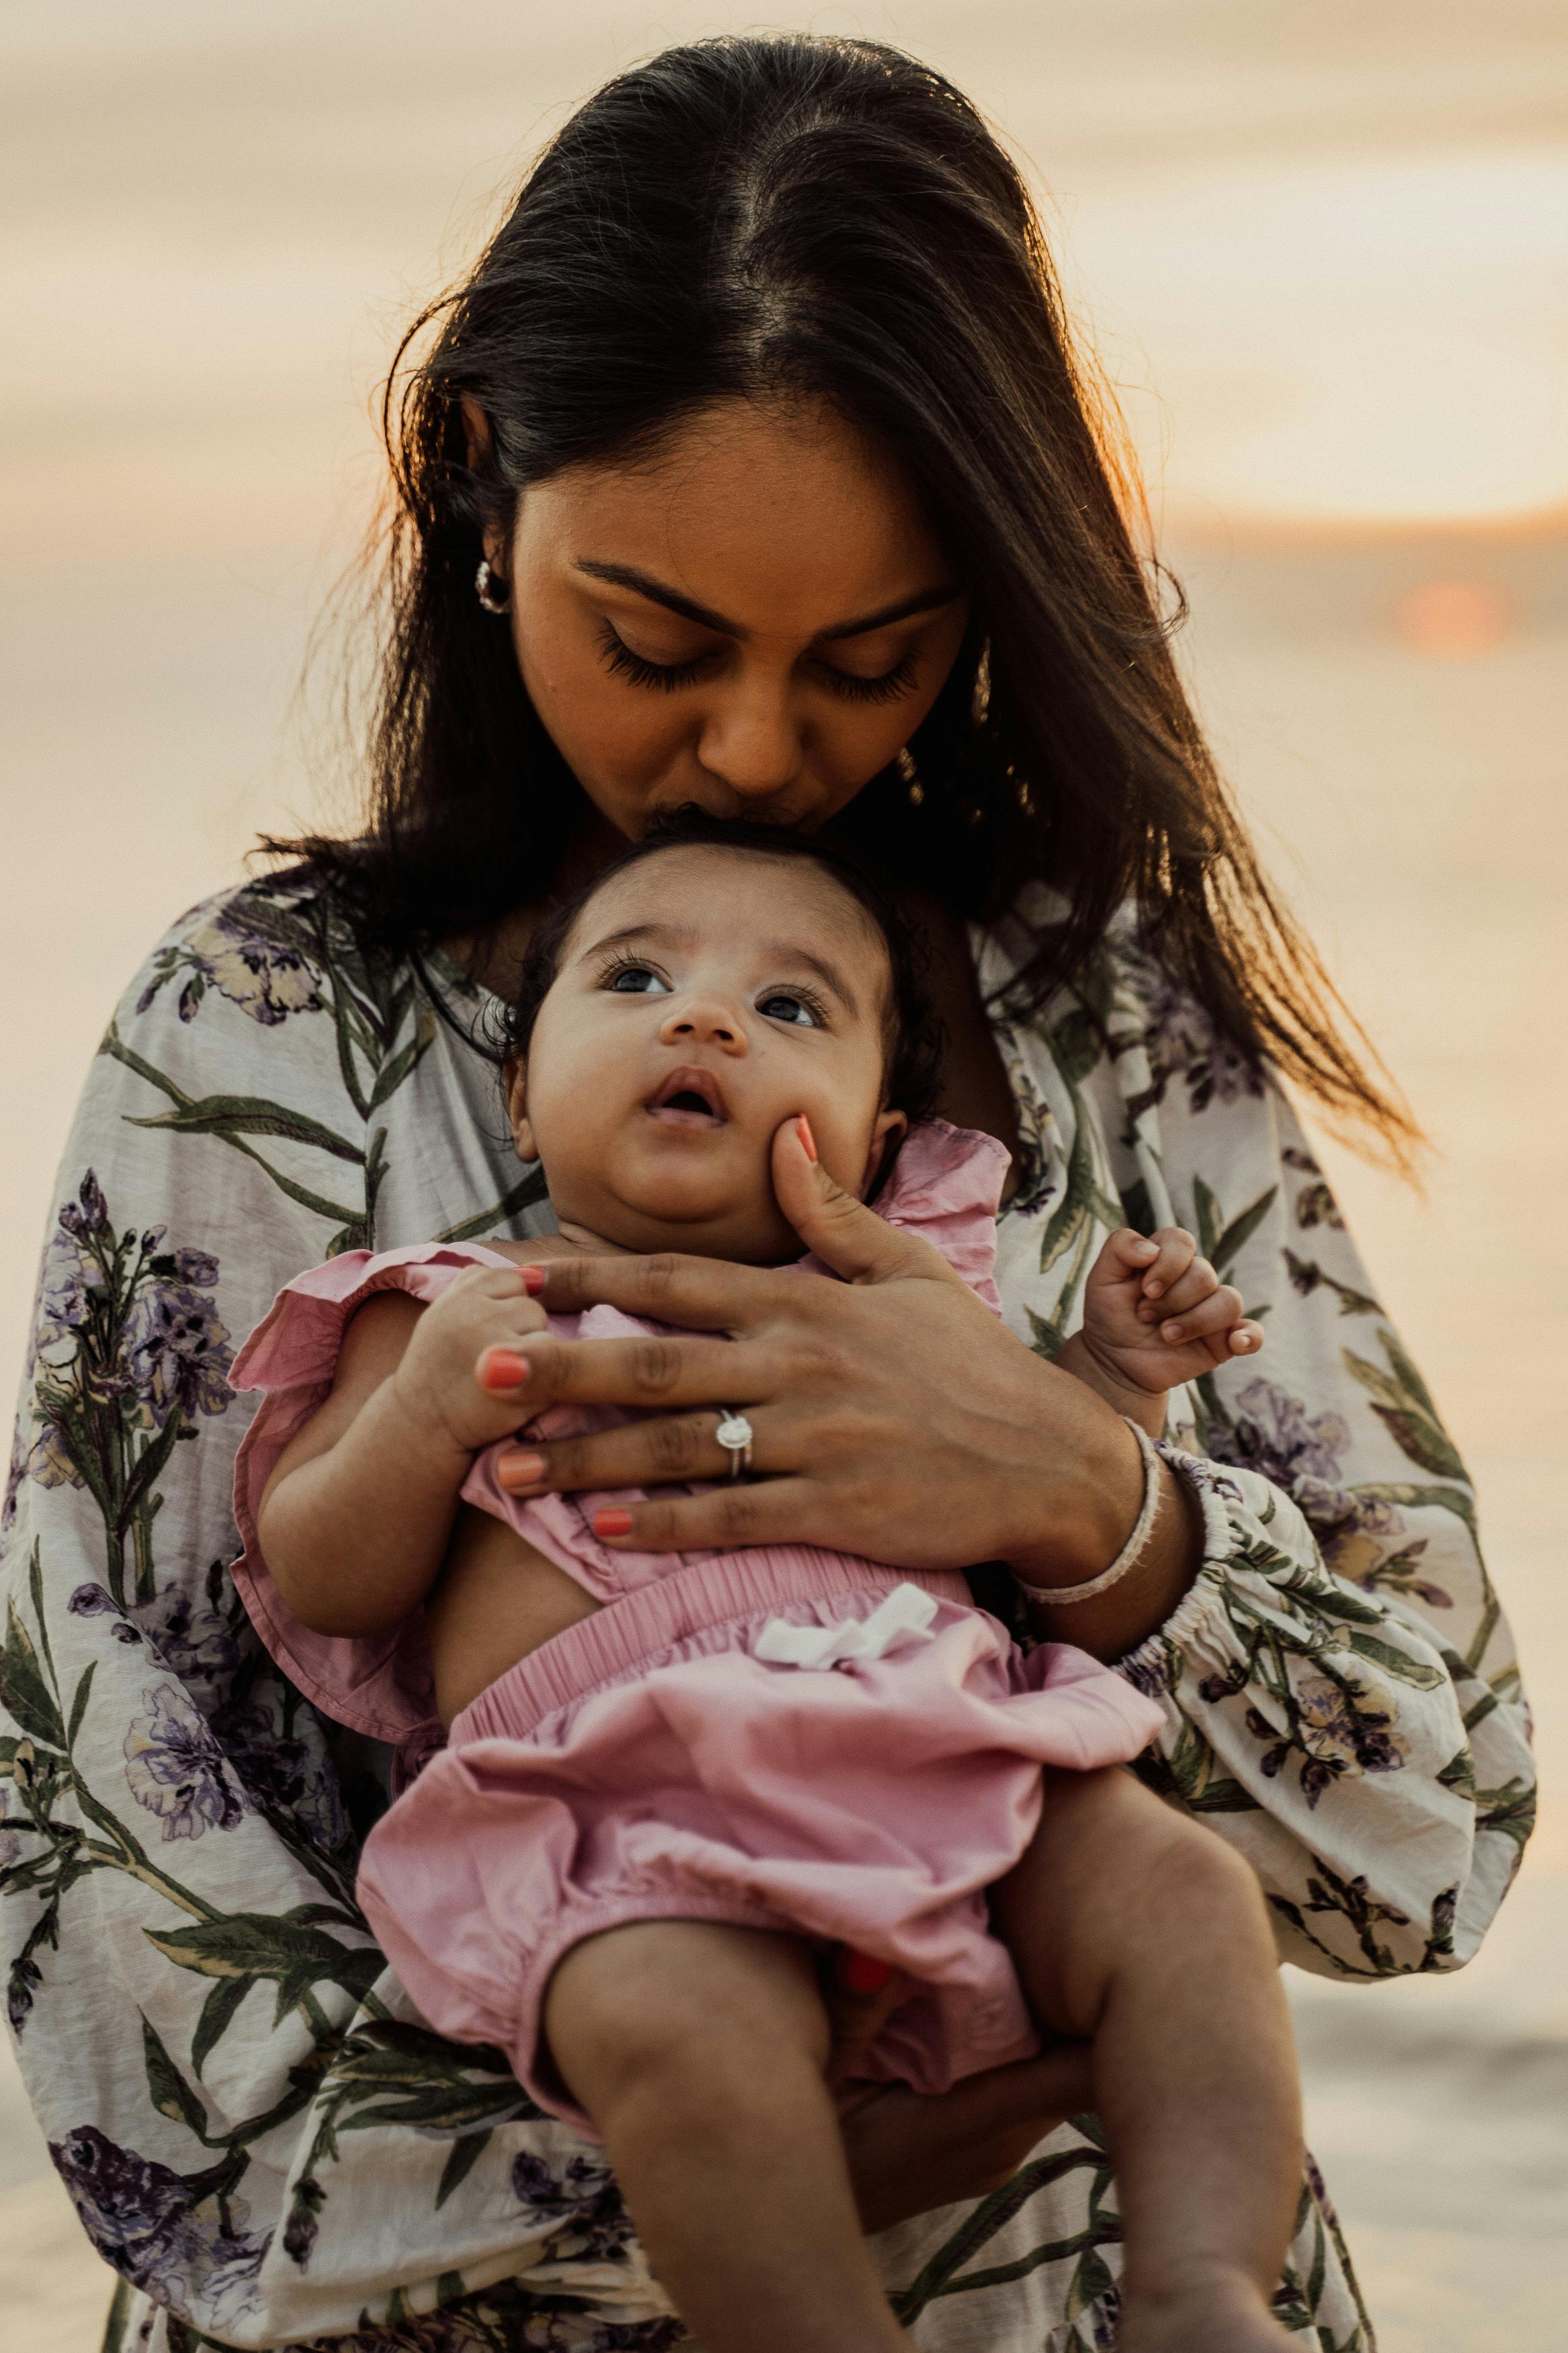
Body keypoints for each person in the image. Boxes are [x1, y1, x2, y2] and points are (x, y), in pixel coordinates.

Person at [1, 33, 1530, 2353]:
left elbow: (1439, 1829)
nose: (752, 749)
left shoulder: (1098, 1018)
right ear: (476, 488)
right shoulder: (257, 1050)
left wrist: (1089, 1496)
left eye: (873, 657)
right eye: (655, 638)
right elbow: (103, 1860)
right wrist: (669, 2143)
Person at [235, 818, 1296, 2353]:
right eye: (638, 975)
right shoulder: (449, 1314)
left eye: (791, 1009)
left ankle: (1203, 2291)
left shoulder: (904, 1303)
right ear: (524, 1093)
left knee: (1188, 1895)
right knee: (679, 2035)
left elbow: (1016, 1509)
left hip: (942, 1739)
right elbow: (322, 1577)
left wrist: (1108, 1380)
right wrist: (422, 1414)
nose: (708, 1016)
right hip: (621, 1811)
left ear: (870, 1143)